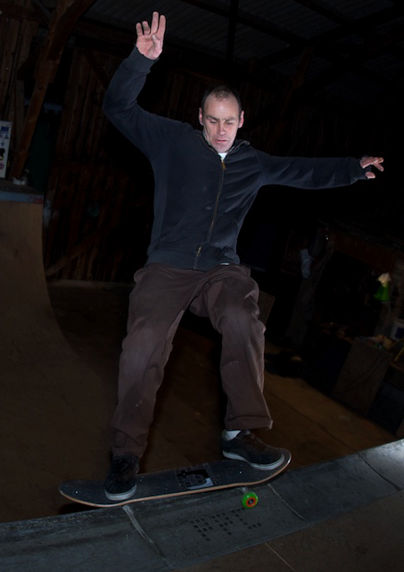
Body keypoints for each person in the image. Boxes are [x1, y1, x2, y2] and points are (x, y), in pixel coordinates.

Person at [102, 12, 385, 501]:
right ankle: (125, 453)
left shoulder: (252, 162)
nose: (221, 131)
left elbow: (302, 171)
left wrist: (352, 169)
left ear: (242, 121)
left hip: (220, 268)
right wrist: (139, 62)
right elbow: (118, 107)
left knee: (243, 317)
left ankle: (239, 433)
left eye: (229, 122)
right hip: (168, 266)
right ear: (200, 118)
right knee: (143, 344)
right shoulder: (171, 142)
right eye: (212, 121)